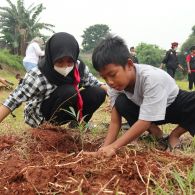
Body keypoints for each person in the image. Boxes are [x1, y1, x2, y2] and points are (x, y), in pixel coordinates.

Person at [90, 35, 195, 157]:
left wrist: (114, 147)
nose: (110, 82)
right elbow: (115, 122)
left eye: (112, 74)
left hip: (173, 106)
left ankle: (175, 135)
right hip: (146, 112)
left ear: (129, 65)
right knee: (121, 102)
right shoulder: (115, 86)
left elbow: (144, 121)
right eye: (104, 78)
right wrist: (104, 149)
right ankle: (157, 134)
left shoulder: (151, 78)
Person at [0, 32, 107, 128]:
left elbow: (94, 83)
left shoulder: (78, 68)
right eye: (60, 61)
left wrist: (116, 92)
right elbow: (14, 99)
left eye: (70, 61)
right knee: (69, 91)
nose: (65, 66)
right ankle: (49, 130)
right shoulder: (38, 75)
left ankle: (78, 125)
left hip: (65, 109)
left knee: (98, 92)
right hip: (43, 115)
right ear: (51, 58)